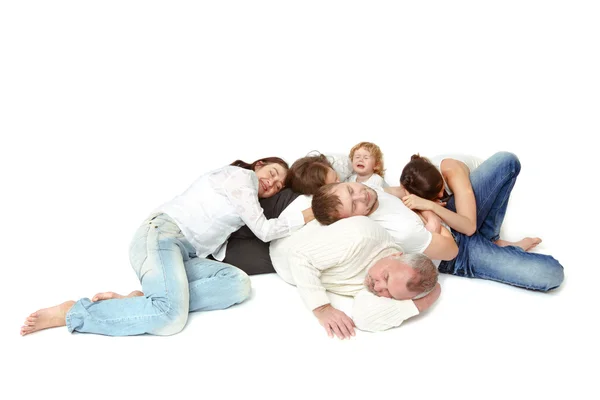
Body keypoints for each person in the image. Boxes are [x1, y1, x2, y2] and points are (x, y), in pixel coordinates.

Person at [20, 157, 314, 337]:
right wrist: (310, 213)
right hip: (160, 236)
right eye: (273, 173)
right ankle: (74, 313)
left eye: (278, 187)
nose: (272, 184)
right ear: (258, 164)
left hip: (183, 252)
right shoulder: (242, 177)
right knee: (171, 318)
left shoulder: (243, 202)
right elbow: (263, 231)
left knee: (237, 283)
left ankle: (142, 300)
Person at [312, 179, 564, 292]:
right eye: (354, 205)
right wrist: (431, 214)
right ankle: (498, 247)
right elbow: (452, 249)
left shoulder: (372, 189)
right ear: (354, 219)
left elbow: (400, 193)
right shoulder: (398, 231)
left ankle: (490, 238)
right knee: (551, 273)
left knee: (506, 163)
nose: (361, 195)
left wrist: (428, 203)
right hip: (458, 253)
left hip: (450, 216)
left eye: (351, 189)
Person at [272, 216, 441, 337]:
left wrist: (422, 302)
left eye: (389, 293)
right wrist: (322, 309)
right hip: (280, 244)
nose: (377, 287)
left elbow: (365, 319)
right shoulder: (359, 239)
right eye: (386, 277)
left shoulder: (384, 279)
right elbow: (299, 258)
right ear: (396, 255)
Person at [399, 152, 540, 250]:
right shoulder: (416, 183)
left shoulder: (451, 169)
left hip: (478, 207)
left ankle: (491, 239)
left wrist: (431, 205)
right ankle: (492, 245)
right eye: (435, 195)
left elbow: (469, 227)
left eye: (441, 187)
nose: (441, 194)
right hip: (458, 217)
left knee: (506, 160)